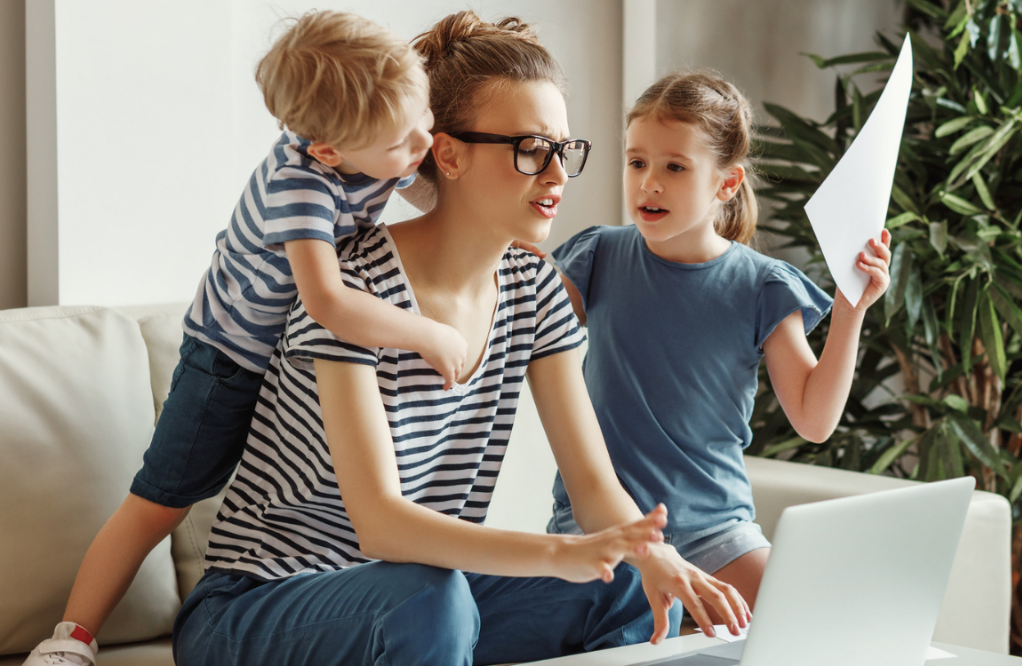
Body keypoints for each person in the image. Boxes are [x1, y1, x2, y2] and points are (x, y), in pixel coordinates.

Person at [170, 12, 749, 666]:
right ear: (448, 153)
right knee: (431, 596)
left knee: (629, 590)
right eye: (531, 149)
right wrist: (559, 553)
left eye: (564, 150)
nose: (556, 175)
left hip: (420, 595)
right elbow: (380, 524)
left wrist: (656, 555)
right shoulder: (350, 288)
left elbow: (592, 487)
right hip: (260, 602)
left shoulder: (534, 288)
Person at [23, 12, 473, 666]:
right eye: (403, 143)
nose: (424, 145)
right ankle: (72, 639)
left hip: (289, 359)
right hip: (227, 362)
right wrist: (428, 334)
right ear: (326, 151)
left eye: (425, 120)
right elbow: (327, 299)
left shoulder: (383, 139)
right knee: (159, 503)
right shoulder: (300, 185)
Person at [546, 70, 894, 615]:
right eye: (637, 162)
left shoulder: (764, 286)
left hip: (717, 533)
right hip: (603, 530)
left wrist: (852, 310)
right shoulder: (597, 258)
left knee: (805, 624)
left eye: (674, 167)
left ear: (726, 183)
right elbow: (513, 335)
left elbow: (813, 419)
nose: (648, 183)